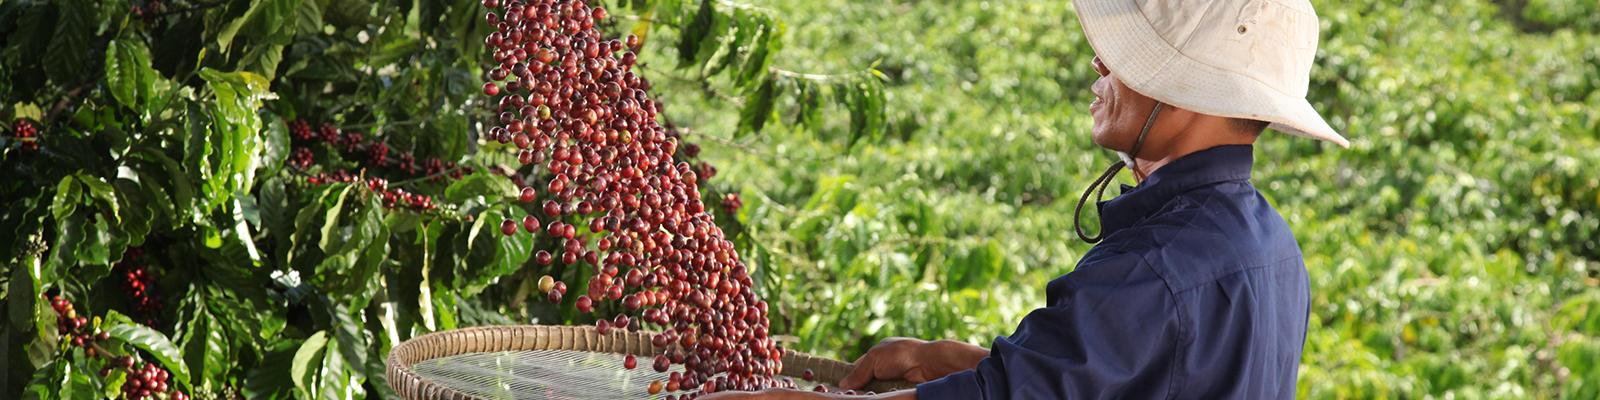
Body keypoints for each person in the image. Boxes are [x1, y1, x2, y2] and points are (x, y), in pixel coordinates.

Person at [705, 0, 1347, 398]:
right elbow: (1151, 377)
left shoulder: (1154, 267)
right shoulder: (1271, 246)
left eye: (1125, 59)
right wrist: (969, 364)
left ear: (1189, 91)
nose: (1100, 66)